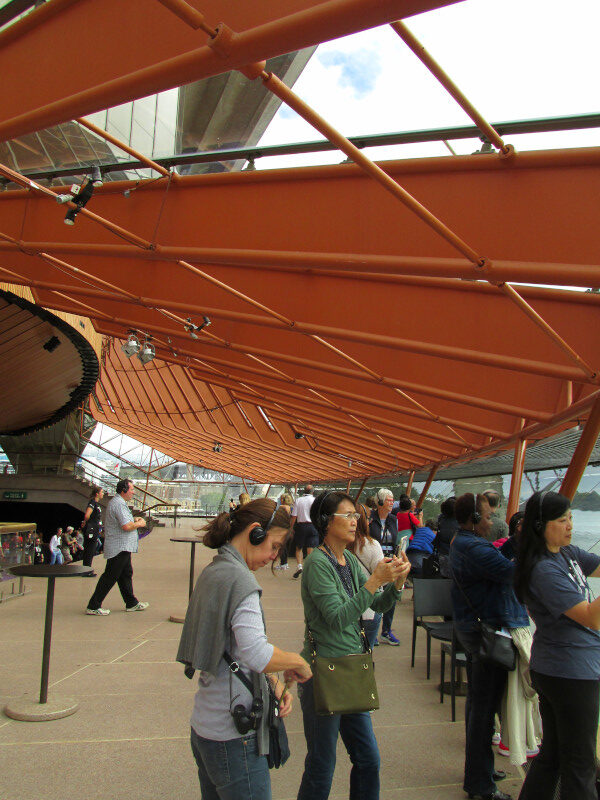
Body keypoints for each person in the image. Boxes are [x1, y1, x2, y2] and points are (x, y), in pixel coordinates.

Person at [177, 498, 312, 800]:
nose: (275, 556)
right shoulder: (241, 581)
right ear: (255, 532)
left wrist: (273, 681)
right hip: (233, 736)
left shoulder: (216, 571)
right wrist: (297, 662)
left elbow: (232, 650)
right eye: (275, 546)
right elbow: (256, 653)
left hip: (205, 727)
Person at [297, 490, 410, 800]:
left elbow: (377, 604)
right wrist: (374, 581)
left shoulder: (348, 560)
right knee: (322, 763)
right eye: (347, 516)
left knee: (368, 759)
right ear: (325, 521)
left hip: (351, 667)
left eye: (356, 516)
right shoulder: (319, 563)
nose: (354, 521)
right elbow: (336, 618)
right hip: (325, 670)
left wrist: (396, 584)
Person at [516, 491, 600, 800]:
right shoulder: (544, 570)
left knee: (552, 754)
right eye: (562, 520)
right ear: (541, 526)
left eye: (571, 518)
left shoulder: (567, 554)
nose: (570, 526)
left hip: (560, 668)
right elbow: (591, 618)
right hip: (570, 673)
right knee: (580, 762)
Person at [450, 492, 529, 800]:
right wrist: (528, 546)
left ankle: (480, 772)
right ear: (473, 519)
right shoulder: (471, 547)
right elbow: (509, 572)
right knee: (483, 710)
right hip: (484, 631)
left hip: (474, 627)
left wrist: (516, 540)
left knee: (480, 706)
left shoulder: (467, 542)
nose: (492, 520)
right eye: (487, 516)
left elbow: (497, 559)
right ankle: (481, 785)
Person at [86, 479, 148, 616]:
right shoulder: (119, 504)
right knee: (110, 576)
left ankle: (131, 602)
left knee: (125, 574)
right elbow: (126, 526)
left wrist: (134, 521)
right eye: (132, 489)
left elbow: (126, 521)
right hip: (119, 547)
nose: (133, 492)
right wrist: (140, 523)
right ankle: (93, 605)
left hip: (123, 546)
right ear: (124, 490)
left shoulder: (118, 503)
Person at [347, 502, 385, 649]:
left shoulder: (337, 546)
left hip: (344, 608)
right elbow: (381, 579)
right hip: (368, 610)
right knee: (365, 655)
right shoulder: (371, 545)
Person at [369, 488, 400, 645]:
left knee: (390, 597)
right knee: (374, 596)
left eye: (392, 499)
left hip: (390, 562)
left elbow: (395, 539)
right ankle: (372, 630)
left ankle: (386, 631)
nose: (391, 502)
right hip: (374, 563)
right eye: (388, 500)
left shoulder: (393, 520)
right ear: (380, 502)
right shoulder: (370, 519)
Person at [290, 484, 318, 579]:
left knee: (299, 548)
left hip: (301, 526)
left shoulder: (298, 500)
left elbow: (294, 516)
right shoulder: (315, 501)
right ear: (312, 492)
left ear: (303, 491)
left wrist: (291, 528)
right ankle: (308, 569)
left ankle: (299, 566)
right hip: (313, 526)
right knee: (310, 549)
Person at [404, 510, 436, 577]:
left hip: (409, 557)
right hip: (419, 560)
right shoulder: (433, 535)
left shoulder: (419, 530)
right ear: (434, 529)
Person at [81, 485, 103, 576]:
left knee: (91, 549)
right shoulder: (92, 503)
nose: (103, 494)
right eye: (101, 492)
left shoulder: (96, 504)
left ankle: (87, 569)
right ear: (97, 494)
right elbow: (87, 515)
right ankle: (86, 570)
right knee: (89, 550)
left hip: (95, 529)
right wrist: (86, 522)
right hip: (91, 529)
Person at [275, 492, 294, 570]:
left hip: (281, 528)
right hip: (288, 528)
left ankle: (283, 563)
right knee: (286, 546)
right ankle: (285, 563)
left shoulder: (281, 507)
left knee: (282, 546)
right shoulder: (291, 508)